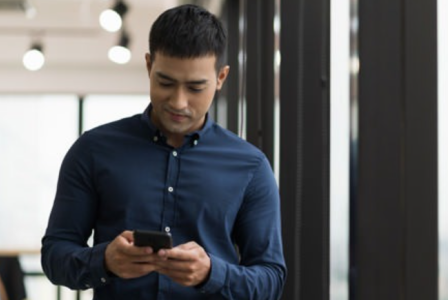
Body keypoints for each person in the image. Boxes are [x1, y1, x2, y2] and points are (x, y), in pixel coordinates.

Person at [41, 4, 286, 300]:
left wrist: (212, 273)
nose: (179, 102)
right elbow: (56, 255)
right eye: (165, 82)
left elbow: (271, 278)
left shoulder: (250, 166)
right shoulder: (93, 151)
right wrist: (105, 261)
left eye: (195, 87)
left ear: (221, 77)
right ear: (148, 66)